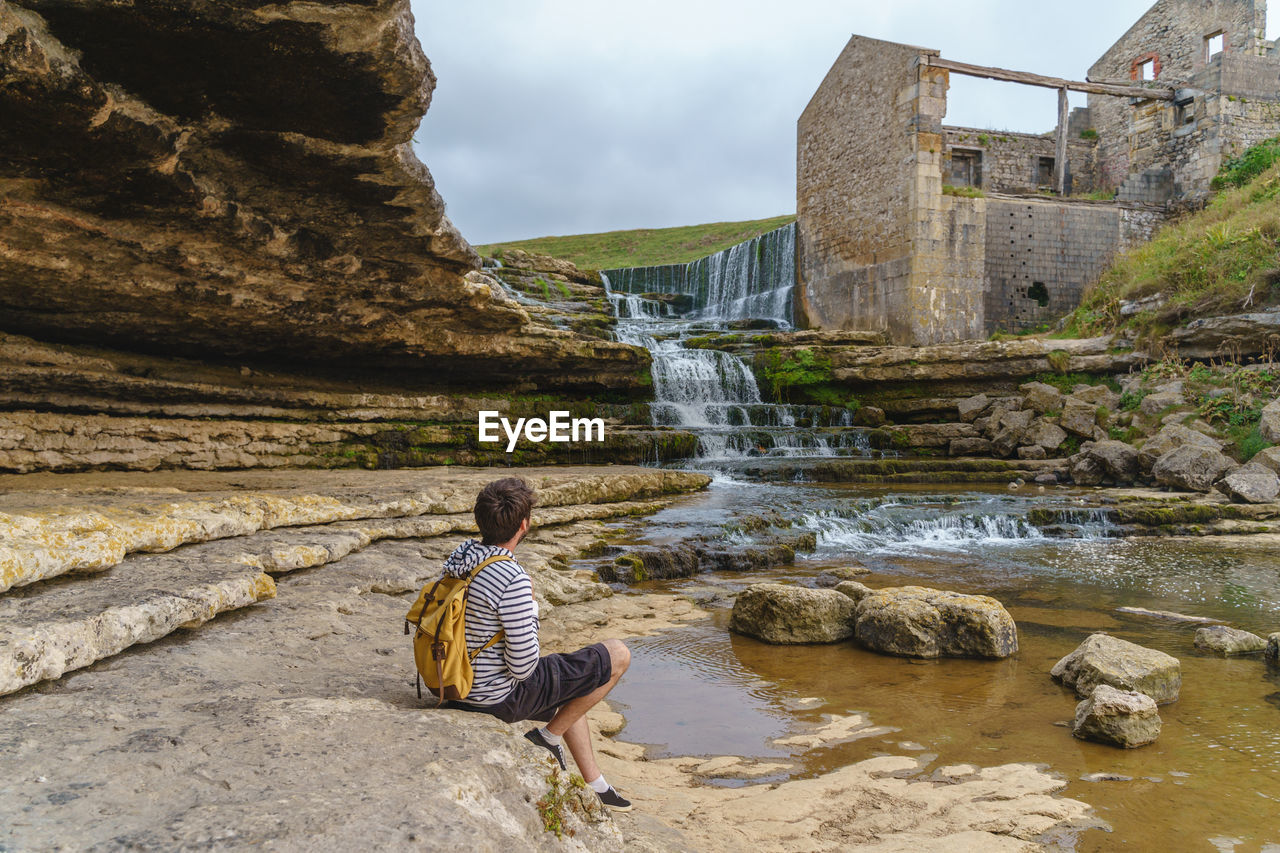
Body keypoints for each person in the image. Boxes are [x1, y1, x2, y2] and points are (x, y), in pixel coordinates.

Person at [442, 477, 633, 811]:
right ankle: (546, 737)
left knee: (569, 680)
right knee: (617, 654)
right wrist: (530, 604)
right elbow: (524, 668)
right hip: (492, 697)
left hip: (451, 681)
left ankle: (596, 783)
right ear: (524, 525)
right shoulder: (511, 578)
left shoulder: (461, 555)